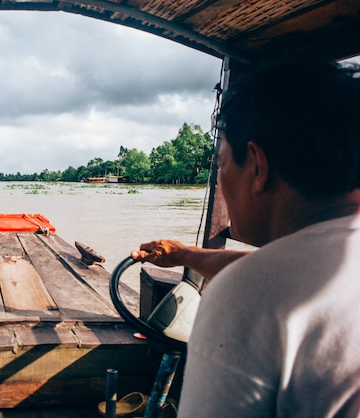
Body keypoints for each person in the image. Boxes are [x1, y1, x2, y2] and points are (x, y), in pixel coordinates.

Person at [132, 60, 360, 417]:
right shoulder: (331, 264)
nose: (221, 177)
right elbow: (281, 271)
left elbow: (263, 279)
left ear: (257, 166)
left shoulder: (248, 294)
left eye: (222, 165)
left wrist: (233, 282)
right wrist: (185, 254)